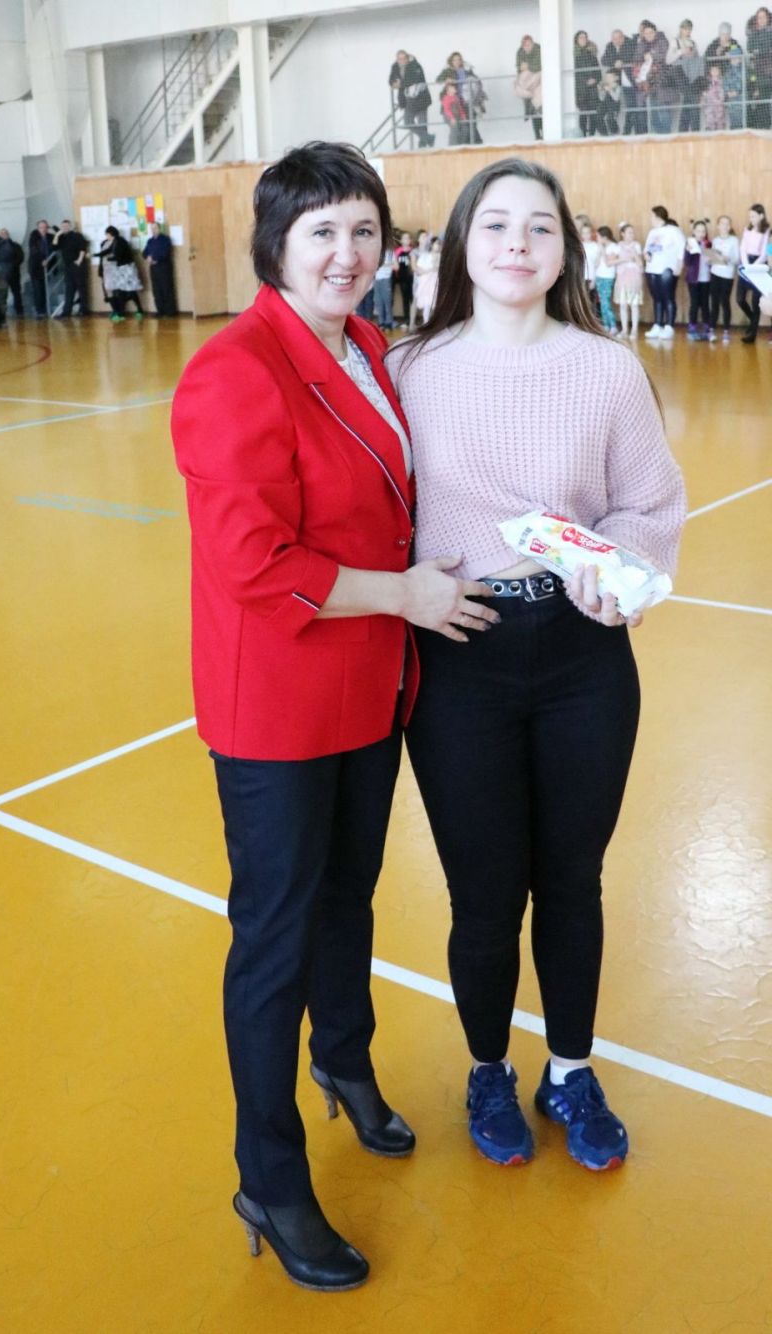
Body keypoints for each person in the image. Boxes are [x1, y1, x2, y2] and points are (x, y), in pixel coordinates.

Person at [170, 141, 497, 1294]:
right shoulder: (233, 371)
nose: (346, 253)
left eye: (364, 230)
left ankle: (343, 1061)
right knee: (273, 938)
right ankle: (268, 1173)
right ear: (275, 243)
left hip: (369, 684)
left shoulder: (366, 346)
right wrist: (404, 594)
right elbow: (255, 561)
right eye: (321, 232)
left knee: (347, 893)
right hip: (277, 702)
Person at [386, 155, 685, 1176]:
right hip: (458, 657)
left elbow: (647, 503)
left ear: (565, 251)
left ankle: (568, 1068)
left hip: (580, 657)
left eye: (539, 227)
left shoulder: (606, 370)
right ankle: (487, 1067)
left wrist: (618, 573)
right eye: (496, 224)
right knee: (482, 892)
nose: (516, 242)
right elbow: (370, 502)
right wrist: (400, 586)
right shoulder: (407, 370)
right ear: (461, 245)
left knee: (570, 878)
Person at [643, 204, 686, 338]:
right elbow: (647, 248)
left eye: (652, 216)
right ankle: (657, 325)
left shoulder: (673, 230)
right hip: (652, 268)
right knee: (657, 298)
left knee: (668, 297)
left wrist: (680, 266)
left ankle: (669, 326)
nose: (650, 218)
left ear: (658, 216)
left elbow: (681, 248)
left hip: (667, 268)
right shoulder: (652, 232)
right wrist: (646, 254)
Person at [736, 202, 771, 343]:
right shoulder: (747, 229)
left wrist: (753, 268)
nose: (751, 219)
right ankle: (753, 321)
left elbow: (765, 253)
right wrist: (746, 266)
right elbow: (743, 248)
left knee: (756, 301)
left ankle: (752, 334)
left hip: (759, 266)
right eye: (750, 216)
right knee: (740, 299)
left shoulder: (767, 231)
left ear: (761, 216)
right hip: (746, 264)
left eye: (754, 216)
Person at [389, 49, 435, 148]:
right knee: (408, 122)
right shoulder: (395, 67)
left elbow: (415, 79)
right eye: (399, 59)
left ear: (407, 57)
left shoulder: (415, 65)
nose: (402, 61)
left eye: (404, 58)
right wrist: (394, 83)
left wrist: (400, 84)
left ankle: (423, 145)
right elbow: (391, 80)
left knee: (422, 123)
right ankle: (428, 138)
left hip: (421, 98)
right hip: (408, 99)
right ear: (397, 59)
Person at [97, 225, 143, 322]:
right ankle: (120, 313)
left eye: (107, 234)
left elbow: (118, 255)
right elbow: (107, 251)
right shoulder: (111, 242)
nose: (106, 236)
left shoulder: (121, 241)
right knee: (120, 292)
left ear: (111, 234)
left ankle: (139, 310)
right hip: (119, 270)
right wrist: (96, 255)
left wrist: (109, 259)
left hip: (127, 269)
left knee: (131, 291)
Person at [436, 53, 486, 144]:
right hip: (455, 101)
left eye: (459, 59)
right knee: (458, 126)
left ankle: (476, 143)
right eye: (455, 60)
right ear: (451, 61)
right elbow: (438, 80)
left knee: (471, 123)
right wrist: (446, 79)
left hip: (467, 100)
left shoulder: (466, 70)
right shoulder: (448, 71)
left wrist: (472, 80)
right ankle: (462, 145)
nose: (457, 61)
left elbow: (477, 81)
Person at [635, 21, 674, 133]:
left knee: (663, 110)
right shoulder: (641, 44)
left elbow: (664, 56)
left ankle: (666, 135)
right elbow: (636, 58)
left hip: (662, 81)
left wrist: (651, 56)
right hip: (648, 83)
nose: (648, 35)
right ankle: (658, 135)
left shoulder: (662, 41)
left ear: (655, 32)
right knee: (653, 112)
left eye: (651, 32)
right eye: (646, 33)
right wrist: (643, 57)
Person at [707, 214, 740, 342]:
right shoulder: (715, 240)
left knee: (724, 302)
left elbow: (737, 259)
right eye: (722, 223)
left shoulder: (734, 240)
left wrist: (728, 258)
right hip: (715, 273)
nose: (724, 226)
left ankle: (726, 330)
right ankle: (712, 330)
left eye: (727, 224)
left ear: (730, 226)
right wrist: (710, 259)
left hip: (727, 274)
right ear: (718, 226)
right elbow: (712, 257)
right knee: (714, 302)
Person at [705, 23, 745, 127]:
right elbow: (706, 61)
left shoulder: (734, 43)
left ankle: (734, 128)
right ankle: (712, 127)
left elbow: (739, 57)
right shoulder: (713, 45)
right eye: (723, 34)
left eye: (728, 34)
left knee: (735, 106)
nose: (725, 36)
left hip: (731, 81)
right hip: (717, 81)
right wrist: (717, 53)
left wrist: (731, 50)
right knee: (714, 107)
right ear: (719, 34)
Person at [603, 30, 641, 132]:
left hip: (630, 82)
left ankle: (627, 132)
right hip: (615, 81)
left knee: (631, 107)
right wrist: (614, 62)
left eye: (619, 38)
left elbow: (630, 57)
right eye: (614, 38)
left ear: (623, 37)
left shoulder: (630, 43)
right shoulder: (610, 46)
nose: (616, 40)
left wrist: (621, 61)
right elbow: (604, 60)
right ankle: (615, 131)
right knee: (611, 106)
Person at [683, 219, 713, 339]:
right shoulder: (690, 243)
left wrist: (711, 260)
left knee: (705, 303)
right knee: (694, 303)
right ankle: (692, 325)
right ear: (694, 232)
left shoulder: (708, 244)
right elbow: (687, 262)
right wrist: (689, 251)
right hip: (693, 278)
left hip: (706, 278)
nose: (701, 234)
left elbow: (712, 261)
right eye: (698, 231)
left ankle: (707, 324)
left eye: (703, 231)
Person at [614, 222, 644, 338]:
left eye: (633, 233)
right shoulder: (618, 246)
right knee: (623, 304)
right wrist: (624, 259)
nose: (632, 235)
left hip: (634, 277)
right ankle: (624, 329)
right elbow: (610, 262)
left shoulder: (637, 245)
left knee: (634, 304)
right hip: (622, 277)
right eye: (629, 232)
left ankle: (634, 330)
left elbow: (640, 263)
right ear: (622, 234)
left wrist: (634, 253)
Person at [53, 219, 89, 317]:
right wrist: (57, 235)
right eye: (63, 226)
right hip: (67, 266)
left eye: (66, 226)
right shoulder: (61, 238)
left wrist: (79, 260)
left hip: (77, 265)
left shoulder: (77, 236)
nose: (64, 228)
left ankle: (83, 310)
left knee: (81, 288)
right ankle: (66, 311)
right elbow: (54, 247)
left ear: (70, 226)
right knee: (69, 288)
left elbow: (83, 248)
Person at [142, 222, 177, 316]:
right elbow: (144, 253)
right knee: (156, 290)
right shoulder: (150, 241)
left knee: (166, 289)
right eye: (152, 228)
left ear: (159, 229)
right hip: (153, 268)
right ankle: (160, 311)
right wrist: (148, 258)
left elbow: (165, 253)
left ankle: (170, 311)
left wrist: (155, 259)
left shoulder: (165, 239)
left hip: (164, 267)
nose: (153, 230)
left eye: (155, 228)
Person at [747, 7, 772, 129]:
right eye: (759, 17)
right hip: (759, 75)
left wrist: (760, 51)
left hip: (769, 72)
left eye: (763, 17)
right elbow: (750, 48)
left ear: (768, 18)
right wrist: (764, 50)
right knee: (761, 102)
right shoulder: (753, 34)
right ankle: (764, 128)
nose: (761, 19)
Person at [573, 31, 601, 136]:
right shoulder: (573, 54)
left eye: (585, 37)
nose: (583, 39)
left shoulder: (592, 54)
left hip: (592, 90)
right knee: (583, 113)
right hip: (580, 90)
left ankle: (592, 135)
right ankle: (583, 135)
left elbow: (598, 72)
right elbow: (575, 73)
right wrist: (585, 81)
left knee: (593, 113)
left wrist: (595, 79)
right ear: (576, 40)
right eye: (581, 37)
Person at [515, 34, 542, 139]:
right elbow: (519, 67)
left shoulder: (538, 49)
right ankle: (537, 136)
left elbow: (539, 65)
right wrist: (526, 68)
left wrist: (528, 66)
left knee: (539, 109)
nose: (527, 47)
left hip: (538, 82)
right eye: (525, 45)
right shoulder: (520, 52)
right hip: (528, 82)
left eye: (529, 44)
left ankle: (543, 133)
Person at [27, 220, 56, 317]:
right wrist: (42, 260)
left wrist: (54, 230)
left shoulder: (50, 237)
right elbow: (34, 250)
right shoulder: (34, 237)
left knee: (44, 289)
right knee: (37, 289)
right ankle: (39, 310)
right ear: (38, 228)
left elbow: (56, 243)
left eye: (45, 227)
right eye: (41, 227)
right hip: (36, 267)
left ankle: (44, 309)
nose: (43, 229)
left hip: (47, 266)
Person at [595, 225, 619, 333]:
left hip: (608, 277)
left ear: (604, 237)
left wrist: (603, 250)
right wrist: (599, 252)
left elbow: (608, 263)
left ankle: (613, 325)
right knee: (601, 302)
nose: (597, 239)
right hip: (599, 276)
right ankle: (605, 324)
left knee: (606, 302)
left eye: (598, 237)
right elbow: (596, 264)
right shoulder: (600, 247)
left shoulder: (614, 247)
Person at [0, 228, 24, 316]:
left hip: (14, 273)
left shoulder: (15, 245)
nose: (4, 235)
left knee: (16, 293)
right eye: (2, 233)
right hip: (2, 274)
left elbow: (20, 257)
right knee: (2, 295)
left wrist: (11, 266)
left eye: (5, 233)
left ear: (8, 234)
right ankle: (2, 314)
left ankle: (19, 312)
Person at [393, 229, 414, 326]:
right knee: (405, 298)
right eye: (404, 238)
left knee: (412, 298)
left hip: (412, 278)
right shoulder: (397, 251)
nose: (406, 240)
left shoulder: (413, 251)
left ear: (410, 240)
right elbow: (395, 265)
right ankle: (406, 319)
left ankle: (412, 319)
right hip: (402, 278)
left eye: (408, 238)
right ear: (401, 240)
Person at [372, 243, 395, 329]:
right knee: (378, 301)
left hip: (386, 279)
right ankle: (381, 322)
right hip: (377, 279)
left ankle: (389, 322)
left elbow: (396, 266)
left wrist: (384, 265)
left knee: (387, 301)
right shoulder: (376, 252)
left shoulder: (390, 253)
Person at [440, 77, 469, 145]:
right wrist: (452, 118)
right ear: (448, 90)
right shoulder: (446, 98)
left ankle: (461, 144)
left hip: (458, 116)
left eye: (454, 88)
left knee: (465, 128)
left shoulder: (456, 97)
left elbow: (460, 108)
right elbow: (447, 109)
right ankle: (452, 145)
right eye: (452, 88)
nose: (454, 89)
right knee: (455, 128)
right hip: (449, 116)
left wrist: (463, 116)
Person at [597, 70, 621, 134]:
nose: (608, 79)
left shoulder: (617, 86)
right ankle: (604, 135)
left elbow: (616, 98)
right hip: (605, 105)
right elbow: (601, 99)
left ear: (615, 78)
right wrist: (601, 91)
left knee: (610, 119)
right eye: (607, 77)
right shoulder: (605, 85)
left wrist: (610, 90)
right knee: (598, 117)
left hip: (614, 106)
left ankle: (615, 132)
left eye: (610, 77)